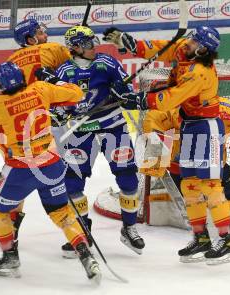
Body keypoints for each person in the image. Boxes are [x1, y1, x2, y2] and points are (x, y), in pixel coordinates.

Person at [104, 25, 230, 265]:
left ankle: (227, 241)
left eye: (194, 42)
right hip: (189, 126)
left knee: (209, 185)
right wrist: (129, 42)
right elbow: (159, 49)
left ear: (203, 50)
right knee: (189, 185)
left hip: (206, 128)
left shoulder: (200, 72)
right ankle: (201, 238)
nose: (188, 43)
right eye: (190, 39)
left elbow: (172, 98)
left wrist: (138, 99)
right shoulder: (184, 50)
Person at [0, 61, 101, 282]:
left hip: (21, 169)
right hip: (52, 163)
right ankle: (86, 257)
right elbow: (76, 94)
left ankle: (9, 256)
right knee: (62, 213)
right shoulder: (40, 88)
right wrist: (54, 79)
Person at [43, 25, 145, 258]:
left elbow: (128, 94)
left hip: (113, 126)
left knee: (129, 178)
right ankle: (83, 229)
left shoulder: (107, 63)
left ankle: (129, 228)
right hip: (81, 131)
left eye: (93, 42)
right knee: (72, 184)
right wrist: (60, 113)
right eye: (88, 44)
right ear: (75, 48)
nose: (93, 47)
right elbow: (57, 105)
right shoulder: (64, 72)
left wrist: (124, 93)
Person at [0, 19, 72, 247]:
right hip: (44, 125)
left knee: (18, 177)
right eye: (39, 32)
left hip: (11, 133)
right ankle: (77, 231)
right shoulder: (52, 49)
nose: (45, 34)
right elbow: (74, 73)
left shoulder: (11, 61)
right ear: (30, 39)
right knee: (62, 172)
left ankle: (9, 227)